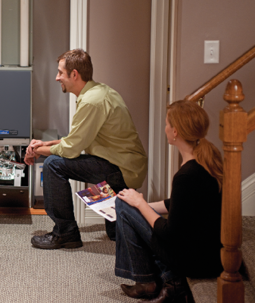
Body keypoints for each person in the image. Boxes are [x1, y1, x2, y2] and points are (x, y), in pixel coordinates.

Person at [24, 49, 147, 249]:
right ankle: (122, 226)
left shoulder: (92, 101)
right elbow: (77, 140)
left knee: (53, 164)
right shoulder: (98, 92)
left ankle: (66, 233)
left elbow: (71, 149)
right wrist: (45, 144)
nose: (57, 78)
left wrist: (38, 152)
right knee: (118, 234)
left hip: (120, 169)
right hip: (122, 164)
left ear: (74, 74)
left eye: (60, 73)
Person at [115, 100, 223, 302]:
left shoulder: (187, 175)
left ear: (176, 132)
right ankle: (152, 279)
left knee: (122, 205)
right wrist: (141, 204)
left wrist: (140, 204)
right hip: (207, 252)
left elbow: (169, 233)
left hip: (192, 260)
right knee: (127, 202)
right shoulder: (206, 159)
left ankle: (159, 280)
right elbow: (179, 203)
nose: (165, 128)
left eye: (167, 124)